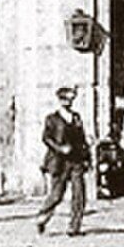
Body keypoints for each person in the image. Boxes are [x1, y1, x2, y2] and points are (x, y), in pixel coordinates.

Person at [35, 86, 90, 236]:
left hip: (76, 160)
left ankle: (74, 227)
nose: (68, 102)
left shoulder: (76, 117)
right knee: (57, 194)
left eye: (71, 99)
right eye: (65, 99)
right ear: (59, 100)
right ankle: (42, 217)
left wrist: (86, 158)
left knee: (79, 194)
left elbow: (82, 139)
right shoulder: (52, 119)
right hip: (59, 162)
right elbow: (46, 138)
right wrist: (60, 148)